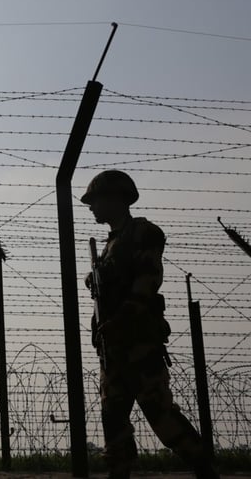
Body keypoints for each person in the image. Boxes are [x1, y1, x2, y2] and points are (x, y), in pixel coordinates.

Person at [83, 170, 218, 479]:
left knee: (158, 412)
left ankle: (203, 465)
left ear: (116, 199)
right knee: (112, 415)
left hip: (138, 340)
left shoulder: (143, 233)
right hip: (113, 344)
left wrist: (123, 318)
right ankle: (120, 470)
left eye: (96, 200)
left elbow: (148, 280)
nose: (92, 207)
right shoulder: (110, 245)